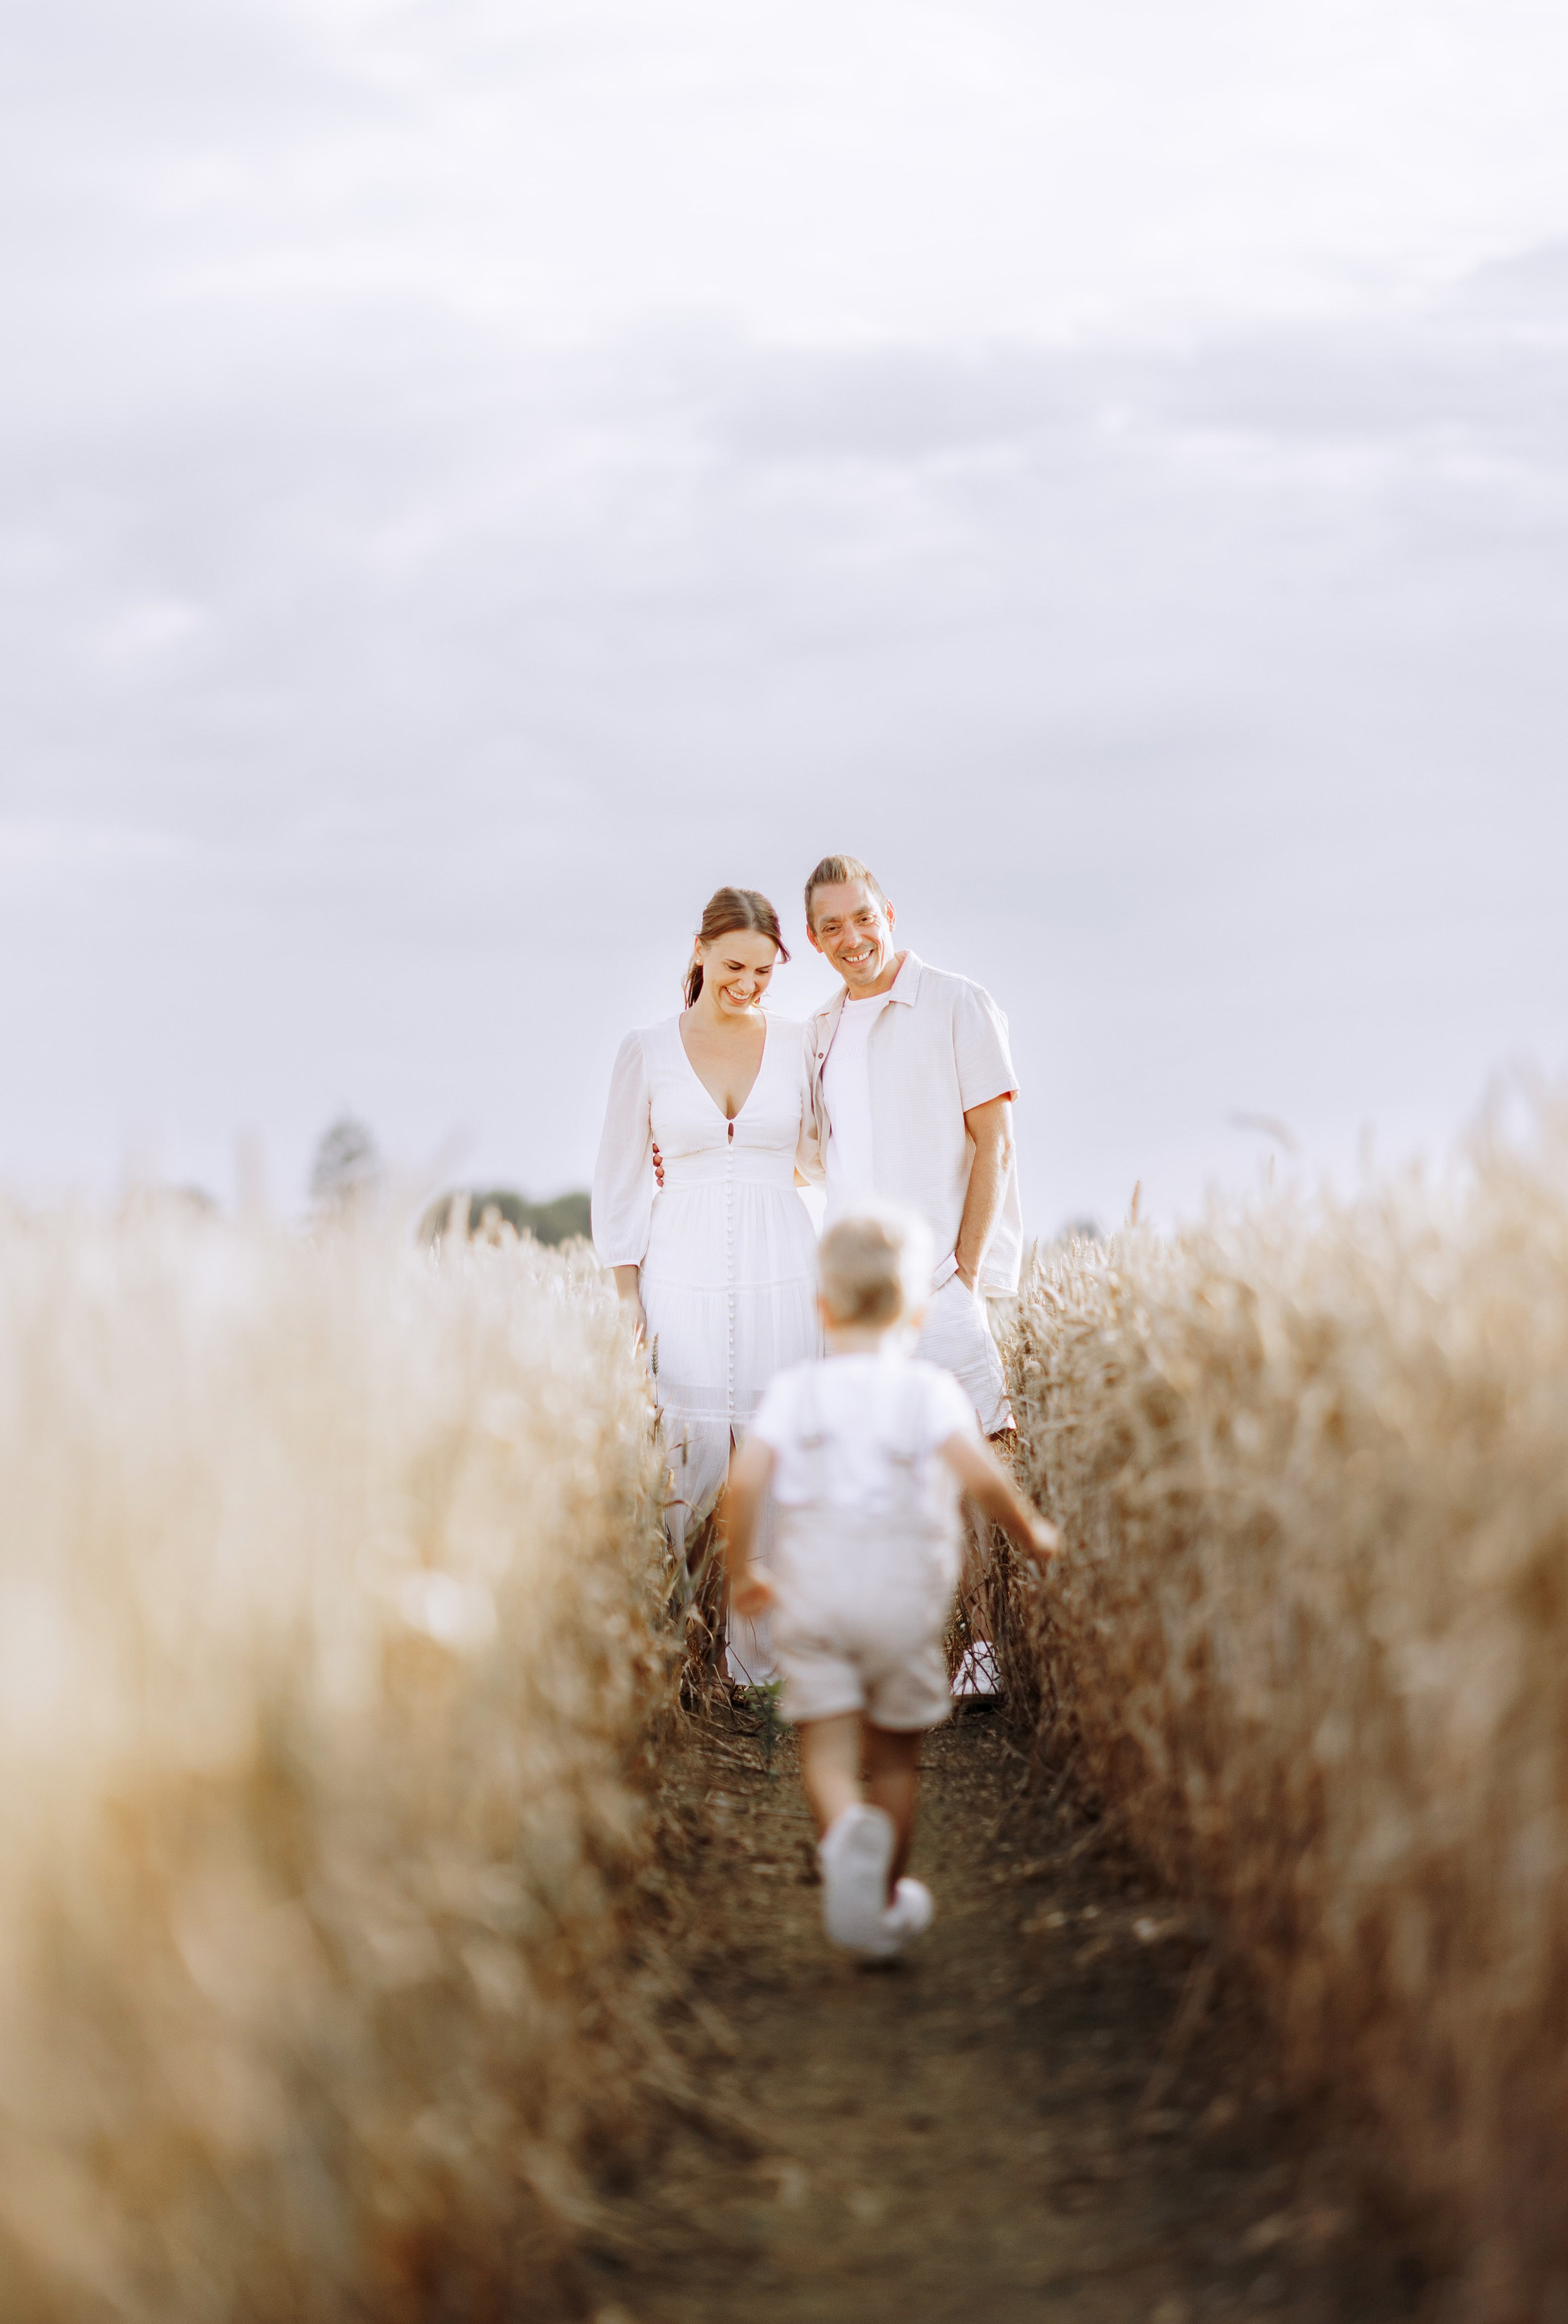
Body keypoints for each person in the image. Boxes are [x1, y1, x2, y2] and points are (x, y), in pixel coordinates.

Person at [723, 1207, 1057, 1958]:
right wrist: (1030, 1531)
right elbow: (980, 1478)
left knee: (829, 1750)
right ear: (915, 1310)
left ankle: (844, 1831)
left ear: (821, 1308)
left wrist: (745, 1567)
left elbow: (745, 1484)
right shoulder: (930, 1391)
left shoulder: (796, 1391)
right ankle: (885, 1902)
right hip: (904, 1601)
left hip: (813, 1594)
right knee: (898, 1759)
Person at [802, 853, 1025, 1694]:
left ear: (888, 911)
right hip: (860, 1304)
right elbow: (809, 1157)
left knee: (977, 1471)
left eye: (862, 917)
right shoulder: (821, 1030)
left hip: (940, 1288)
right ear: (817, 940)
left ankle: (984, 1650)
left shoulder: (959, 1002)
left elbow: (994, 1142)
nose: (851, 937)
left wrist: (964, 1270)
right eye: (830, 926)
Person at [591, 887, 821, 1680]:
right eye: (734, 965)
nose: (749, 984)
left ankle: (767, 1668)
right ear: (699, 950)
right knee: (687, 1462)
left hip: (783, 1262)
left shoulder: (800, 1043)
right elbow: (619, 1180)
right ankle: (689, 1662)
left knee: (775, 1453)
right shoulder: (647, 1049)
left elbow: (827, 1153)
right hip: (679, 1266)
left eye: (765, 970)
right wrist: (627, 1293)